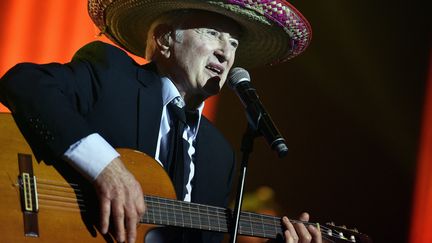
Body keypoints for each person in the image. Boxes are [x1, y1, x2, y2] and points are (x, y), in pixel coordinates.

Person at [0, 0, 320, 242]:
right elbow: (23, 83)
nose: (226, 53)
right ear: (166, 39)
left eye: (234, 43)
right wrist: (106, 167)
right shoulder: (112, 75)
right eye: (212, 33)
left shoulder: (218, 156)